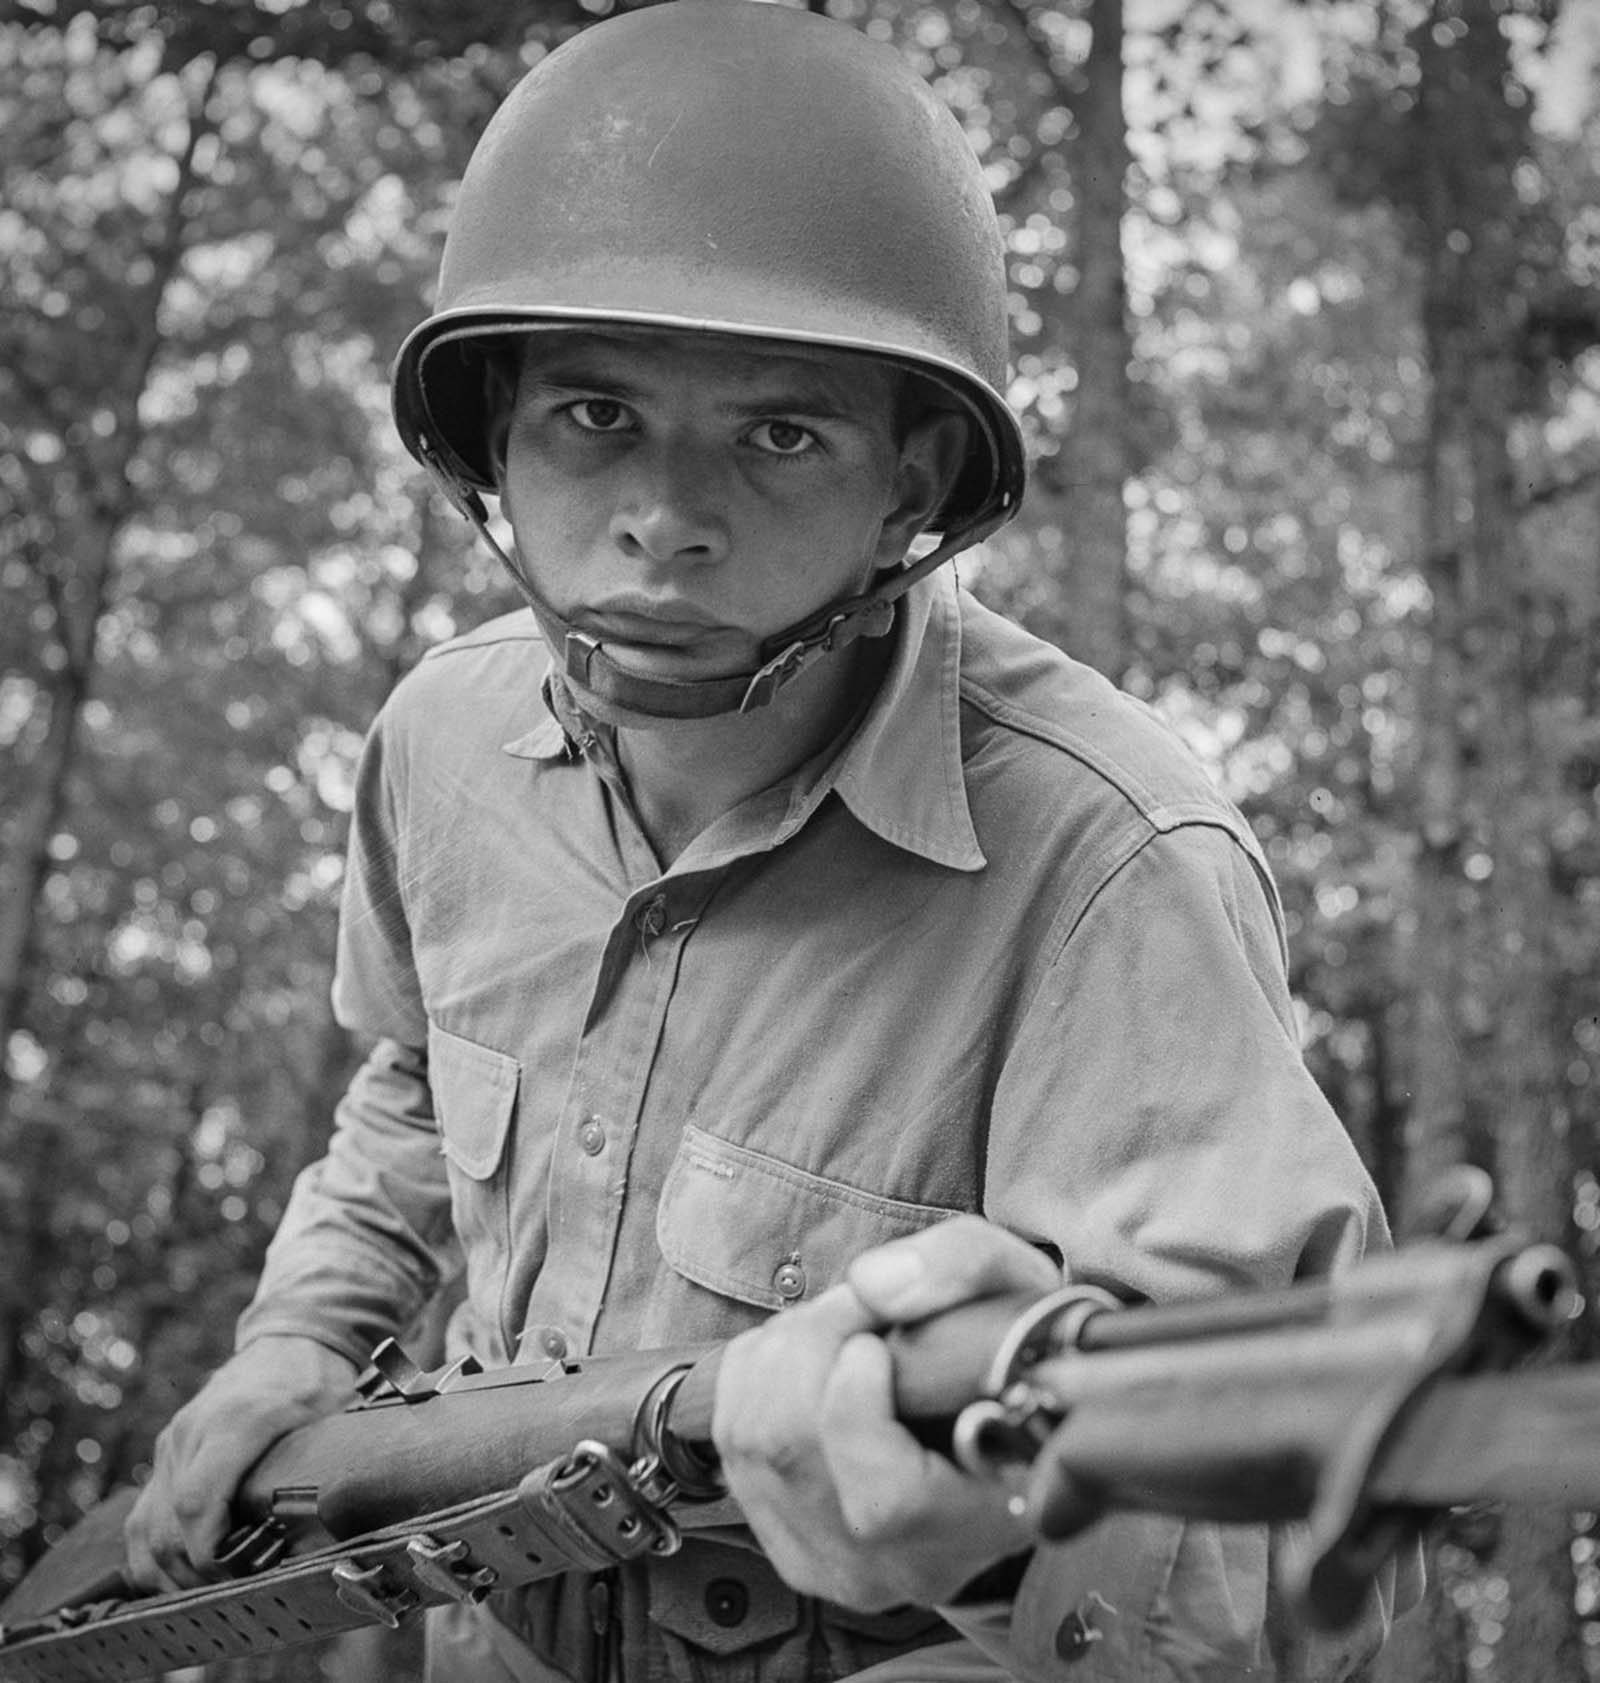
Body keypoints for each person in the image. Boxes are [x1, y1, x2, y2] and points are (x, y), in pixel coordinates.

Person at [124, 4, 1414, 1679]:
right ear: (492, 434)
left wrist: (1001, 1540)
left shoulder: (1107, 863)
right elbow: (406, 1092)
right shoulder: (438, 748)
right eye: (596, 414)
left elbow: (1279, 1531)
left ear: (913, 481)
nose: (668, 514)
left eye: (780, 432)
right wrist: (296, 1348)